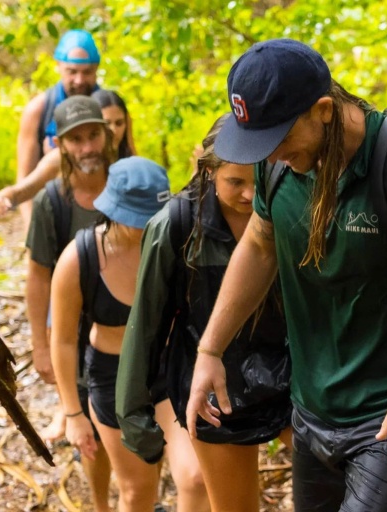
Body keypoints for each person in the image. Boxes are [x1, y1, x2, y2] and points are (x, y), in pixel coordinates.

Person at [185, 39, 387, 512]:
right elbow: (260, 243)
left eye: (278, 139)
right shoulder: (278, 166)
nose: (270, 156)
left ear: (324, 110)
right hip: (312, 408)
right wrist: (210, 349)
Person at [115, 115, 292, 512]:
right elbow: (146, 326)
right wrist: (134, 416)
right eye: (235, 182)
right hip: (214, 386)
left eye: (259, 179)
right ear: (209, 170)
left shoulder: (291, 203)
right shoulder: (176, 225)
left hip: (291, 373)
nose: (250, 194)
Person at [51, 157, 208, 512]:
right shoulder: (79, 258)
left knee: (196, 478)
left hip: (166, 369)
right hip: (113, 378)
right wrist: (73, 413)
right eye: (139, 220)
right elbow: (62, 339)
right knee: (138, 492)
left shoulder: (176, 242)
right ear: (115, 212)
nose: (149, 226)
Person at [25, 95, 115, 511]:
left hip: (128, 328)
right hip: (73, 335)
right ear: (60, 145)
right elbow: (38, 276)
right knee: (90, 431)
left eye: (93, 135)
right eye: (76, 140)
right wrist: (40, 345)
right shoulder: (52, 202)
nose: (87, 147)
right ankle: (101, 504)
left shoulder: (128, 187)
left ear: (107, 135)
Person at [0, 89, 134, 219]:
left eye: (119, 123)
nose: (113, 130)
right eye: (107, 123)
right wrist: (4, 197)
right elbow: (26, 188)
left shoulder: (129, 160)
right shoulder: (60, 158)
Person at [15, 30, 103, 228]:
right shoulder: (38, 110)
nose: (79, 80)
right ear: (59, 66)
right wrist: (32, 231)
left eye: (87, 72)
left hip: (100, 214)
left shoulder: (109, 109)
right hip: (53, 213)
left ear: (96, 69)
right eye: (72, 71)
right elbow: (24, 178)